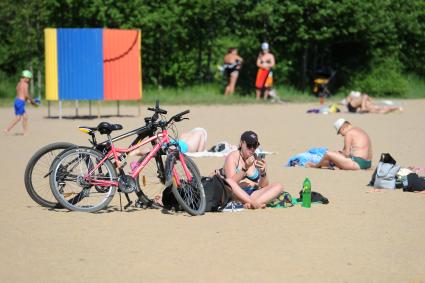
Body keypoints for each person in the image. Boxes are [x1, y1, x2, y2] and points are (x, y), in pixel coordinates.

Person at [220, 131, 284, 209]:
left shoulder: (257, 158)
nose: (252, 149)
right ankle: (254, 204)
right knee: (229, 182)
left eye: (255, 145)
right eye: (249, 145)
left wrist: (263, 173)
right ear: (241, 143)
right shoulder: (233, 157)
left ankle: (250, 205)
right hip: (235, 195)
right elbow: (230, 184)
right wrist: (245, 168)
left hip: (252, 193)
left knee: (279, 186)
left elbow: (263, 186)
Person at [306, 118, 372, 170]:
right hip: (368, 163)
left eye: (340, 132)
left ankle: (315, 166)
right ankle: (329, 164)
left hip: (358, 164)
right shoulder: (358, 129)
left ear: (343, 128)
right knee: (334, 155)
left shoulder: (349, 133)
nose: (341, 135)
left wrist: (338, 153)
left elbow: (346, 154)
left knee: (328, 154)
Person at [4, 70, 35, 135]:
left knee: (23, 117)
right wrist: (31, 101)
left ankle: (7, 129)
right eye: (29, 78)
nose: (29, 80)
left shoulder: (19, 84)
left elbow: (20, 93)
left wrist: (27, 100)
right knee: (19, 118)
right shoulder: (25, 84)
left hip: (17, 101)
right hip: (21, 102)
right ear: (25, 77)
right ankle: (24, 132)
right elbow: (26, 94)